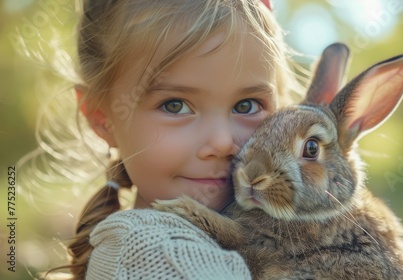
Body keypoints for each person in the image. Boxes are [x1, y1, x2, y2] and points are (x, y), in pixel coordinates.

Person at [38, 0, 304, 279]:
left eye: (247, 105)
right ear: (102, 119)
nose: (224, 142)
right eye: (175, 105)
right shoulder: (163, 257)